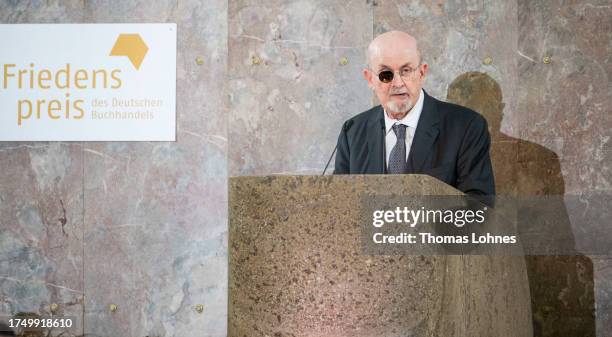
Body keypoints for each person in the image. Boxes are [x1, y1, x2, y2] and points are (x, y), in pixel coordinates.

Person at [333, 31, 495, 196]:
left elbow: (478, 208)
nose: (398, 83)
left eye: (406, 70)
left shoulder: (466, 127)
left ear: (422, 72)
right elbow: (339, 204)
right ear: (370, 79)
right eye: (386, 74)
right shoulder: (352, 131)